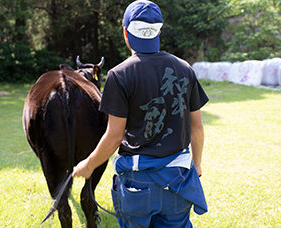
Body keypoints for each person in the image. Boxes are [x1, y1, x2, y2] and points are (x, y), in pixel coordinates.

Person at [73, 0, 208, 227]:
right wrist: (197, 164)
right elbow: (197, 127)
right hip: (179, 178)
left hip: (137, 183)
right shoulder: (185, 68)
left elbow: (115, 136)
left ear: (126, 32)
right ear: (159, 31)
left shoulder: (119, 75)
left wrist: (89, 165)